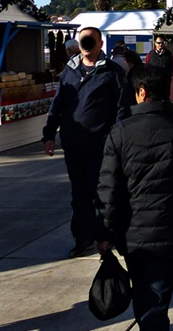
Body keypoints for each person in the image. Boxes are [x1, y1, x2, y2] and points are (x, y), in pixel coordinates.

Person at [96, 64, 173, 331]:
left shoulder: (120, 132)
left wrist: (104, 230)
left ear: (141, 92)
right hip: (171, 228)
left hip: (131, 233)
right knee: (158, 297)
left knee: (143, 293)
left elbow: (108, 188)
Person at [41, 27, 132, 258]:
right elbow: (57, 105)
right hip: (73, 143)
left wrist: (119, 138)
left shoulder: (113, 72)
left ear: (101, 43)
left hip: (102, 143)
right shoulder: (69, 71)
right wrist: (49, 134)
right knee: (79, 194)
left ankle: (104, 236)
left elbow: (123, 108)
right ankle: (82, 239)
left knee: (101, 191)